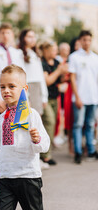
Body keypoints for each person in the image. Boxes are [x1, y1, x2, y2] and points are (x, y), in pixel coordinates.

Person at [0, 64, 50, 210]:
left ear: (25, 88)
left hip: (27, 176)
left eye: (12, 86)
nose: (6, 91)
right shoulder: (0, 119)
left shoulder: (32, 115)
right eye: (2, 87)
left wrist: (37, 140)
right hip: (5, 177)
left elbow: (45, 145)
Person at [0, 23, 25, 174]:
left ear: (12, 34)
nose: (5, 35)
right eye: (2, 32)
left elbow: (21, 74)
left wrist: (22, 96)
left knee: (16, 127)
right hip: (1, 95)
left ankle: (14, 161)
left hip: (16, 95)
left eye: (8, 32)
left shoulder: (17, 52)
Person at [69, 30, 98, 164]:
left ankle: (91, 150)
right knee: (78, 125)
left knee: (90, 125)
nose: (86, 42)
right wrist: (77, 97)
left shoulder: (95, 58)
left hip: (93, 97)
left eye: (89, 40)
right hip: (80, 97)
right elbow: (73, 78)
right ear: (80, 41)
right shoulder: (74, 57)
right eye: (84, 40)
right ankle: (78, 152)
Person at [39, 41, 68, 165]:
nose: (56, 52)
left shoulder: (56, 62)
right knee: (49, 122)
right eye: (53, 49)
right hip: (45, 98)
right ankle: (45, 154)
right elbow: (48, 81)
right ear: (46, 50)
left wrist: (64, 75)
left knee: (53, 124)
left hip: (55, 97)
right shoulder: (43, 64)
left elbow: (59, 78)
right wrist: (59, 71)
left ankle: (46, 151)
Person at [18, 29, 48, 116]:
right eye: (29, 37)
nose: (32, 39)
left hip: (37, 88)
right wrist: (26, 96)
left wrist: (44, 96)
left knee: (38, 118)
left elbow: (40, 77)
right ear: (23, 38)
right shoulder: (20, 53)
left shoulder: (35, 54)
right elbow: (21, 76)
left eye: (34, 37)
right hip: (28, 88)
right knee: (30, 119)